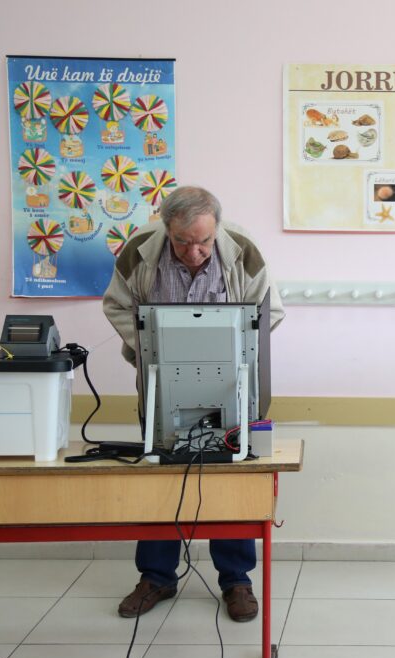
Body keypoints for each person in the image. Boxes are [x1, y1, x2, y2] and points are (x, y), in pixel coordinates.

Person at [102, 186, 285, 621]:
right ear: (166, 228)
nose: (194, 252)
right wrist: (152, 348)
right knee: (161, 480)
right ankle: (156, 577)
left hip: (230, 388)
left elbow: (270, 312)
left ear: (216, 227)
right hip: (164, 386)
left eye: (203, 241)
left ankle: (236, 581)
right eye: (182, 242)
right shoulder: (139, 251)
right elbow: (116, 306)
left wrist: (235, 350)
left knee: (230, 481)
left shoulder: (242, 250)